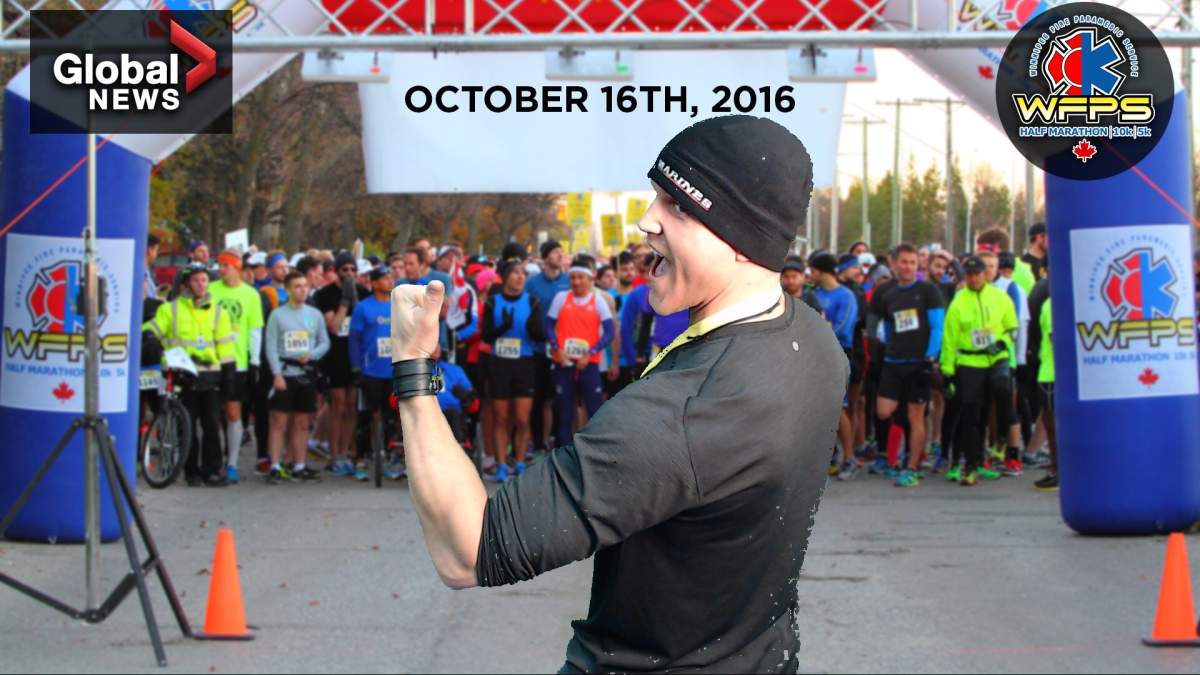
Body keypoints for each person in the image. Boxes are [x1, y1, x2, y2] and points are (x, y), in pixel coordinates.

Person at [387, 115, 845, 673]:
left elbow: (467, 550)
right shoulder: (813, 338)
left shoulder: (684, 412)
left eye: (677, 205)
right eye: (656, 195)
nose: (647, 220)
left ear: (741, 238)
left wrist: (413, 366)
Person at [144, 262, 236, 487]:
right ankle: (191, 472)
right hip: (182, 375)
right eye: (196, 280)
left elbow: (225, 346)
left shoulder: (219, 313)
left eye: (204, 280)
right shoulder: (170, 309)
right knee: (187, 428)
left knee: (212, 426)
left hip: (210, 375)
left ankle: (212, 471)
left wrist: (229, 374)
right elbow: (150, 329)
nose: (201, 284)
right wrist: (152, 340)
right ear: (186, 284)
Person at [870, 242, 945, 488]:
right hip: (893, 362)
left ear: (918, 265)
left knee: (916, 416)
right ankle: (903, 451)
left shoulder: (928, 291)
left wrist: (930, 358)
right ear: (894, 264)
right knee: (884, 411)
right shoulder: (889, 294)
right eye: (903, 262)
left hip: (918, 363)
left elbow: (937, 327)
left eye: (913, 262)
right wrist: (884, 350)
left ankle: (912, 467)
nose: (908, 267)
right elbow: (887, 327)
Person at [940, 255, 1018, 486]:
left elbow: (1012, 327)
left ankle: (1001, 439)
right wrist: (947, 370)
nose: (974, 279)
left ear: (985, 274)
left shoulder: (999, 297)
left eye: (977, 274)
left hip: (996, 357)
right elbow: (950, 338)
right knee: (971, 415)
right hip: (970, 362)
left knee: (1003, 390)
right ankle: (972, 465)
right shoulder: (958, 302)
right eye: (970, 275)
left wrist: (1006, 348)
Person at [481, 258, 546, 482]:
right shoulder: (493, 302)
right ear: (505, 277)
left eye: (522, 274)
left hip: (524, 363)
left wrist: (534, 329)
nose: (520, 277)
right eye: (515, 273)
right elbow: (486, 336)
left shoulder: (532, 302)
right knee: (500, 417)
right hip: (499, 364)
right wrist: (503, 327)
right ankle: (500, 465)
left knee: (522, 417)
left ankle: (519, 462)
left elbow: (540, 335)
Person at [264, 271, 331, 484]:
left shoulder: (314, 314)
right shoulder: (277, 315)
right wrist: (276, 374)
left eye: (305, 286)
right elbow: (271, 346)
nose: (303, 290)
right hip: (285, 372)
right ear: (288, 290)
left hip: (306, 373)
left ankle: (299, 464)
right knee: (279, 421)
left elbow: (324, 342)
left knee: (302, 422)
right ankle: (275, 465)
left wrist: (312, 354)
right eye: (297, 286)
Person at [208, 250, 265, 483]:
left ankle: (231, 463)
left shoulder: (251, 294)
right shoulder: (211, 290)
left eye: (226, 265)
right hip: (211, 360)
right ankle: (212, 461)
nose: (221, 269)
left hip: (237, 362)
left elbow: (254, 330)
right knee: (212, 414)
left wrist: (255, 362)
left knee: (233, 413)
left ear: (237, 268)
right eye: (219, 265)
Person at [547, 260, 615, 448]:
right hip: (563, 363)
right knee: (565, 413)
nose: (576, 282)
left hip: (589, 364)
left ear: (590, 279)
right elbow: (549, 326)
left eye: (580, 277)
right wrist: (557, 349)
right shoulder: (561, 298)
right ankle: (563, 454)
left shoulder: (598, 301)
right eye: (572, 277)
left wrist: (590, 353)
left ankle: (595, 453)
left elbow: (610, 333)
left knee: (594, 411)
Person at [314, 252, 366, 475]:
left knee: (352, 405)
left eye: (353, 270)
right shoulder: (325, 294)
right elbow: (334, 326)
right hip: (335, 355)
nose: (349, 274)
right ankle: (334, 454)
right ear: (336, 272)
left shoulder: (363, 292)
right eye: (345, 270)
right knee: (338, 403)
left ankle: (346, 452)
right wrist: (345, 300)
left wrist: (356, 299)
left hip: (356, 355)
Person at [810, 252, 859, 480]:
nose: (809, 275)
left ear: (822, 272)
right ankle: (830, 456)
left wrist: (820, 329)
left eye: (813, 270)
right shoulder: (814, 294)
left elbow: (843, 327)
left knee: (839, 408)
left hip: (838, 354)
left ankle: (850, 457)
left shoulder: (846, 295)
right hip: (814, 355)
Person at [350, 266, 402, 481]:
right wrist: (355, 367)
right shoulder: (363, 308)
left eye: (391, 277)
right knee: (366, 416)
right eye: (384, 278)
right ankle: (360, 459)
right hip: (370, 371)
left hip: (392, 371)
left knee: (390, 417)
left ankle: (387, 458)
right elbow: (354, 339)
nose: (390, 281)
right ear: (373, 283)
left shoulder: (398, 306)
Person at [525, 240, 570, 451]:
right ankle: (537, 441)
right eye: (555, 252)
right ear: (545, 258)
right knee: (539, 398)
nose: (560, 255)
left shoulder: (569, 281)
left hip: (563, 349)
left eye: (561, 251)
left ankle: (558, 440)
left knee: (560, 398)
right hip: (537, 348)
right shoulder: (532, 283)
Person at [1034, 296, 1059, 491]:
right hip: (1051, 371)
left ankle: (1057, 471)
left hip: (1051, 373)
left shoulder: (1052, 303)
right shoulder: (1052, 302)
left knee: (1052, 425)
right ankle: (1057, 469)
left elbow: (1054, 338)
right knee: (1052, 424)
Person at [144, 233, 160, 300]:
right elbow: (146, 299)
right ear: (149, 250)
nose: (157, 254)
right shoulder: (142, 275)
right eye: (156, 250)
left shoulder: (147, 272)